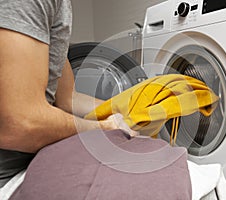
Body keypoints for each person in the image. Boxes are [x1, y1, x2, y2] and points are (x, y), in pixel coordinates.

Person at [0, 0, 137, 188]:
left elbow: (68, 99)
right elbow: (20, 125)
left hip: (34, 159)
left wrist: (128, 110)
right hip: (8, 174)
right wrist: (104, 127)